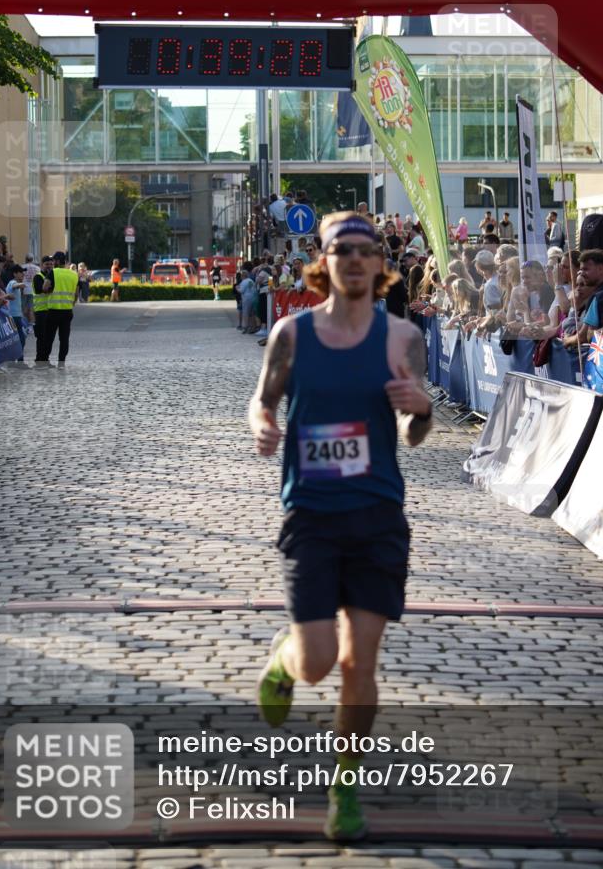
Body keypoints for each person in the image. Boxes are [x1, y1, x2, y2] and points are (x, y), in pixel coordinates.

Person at [249, 211, 433, 841]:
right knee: (319, 663)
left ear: (381, 263)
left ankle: (344, 784)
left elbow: (413, 433)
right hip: (313, 517)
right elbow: (263, 399)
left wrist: (422, 411)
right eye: (341, 250)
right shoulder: (291, 335)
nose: (354, 259)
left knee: (360, 665)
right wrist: (262, 425)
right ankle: (285, 658)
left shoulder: (402, 338)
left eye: (366, 250)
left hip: (379, 515)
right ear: (321, 261)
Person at [41, 251, 78, 367]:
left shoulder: (53, 272)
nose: (52, 262)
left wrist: (47, 290)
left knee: (49, 337)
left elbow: (45, 287)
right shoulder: (73, 274)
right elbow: (76, 294)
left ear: (57, 261)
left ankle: (45, 360)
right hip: (67, 311)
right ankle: (61, 363)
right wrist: (71, 304)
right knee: (64, 338)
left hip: (53, 311)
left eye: (53, 260)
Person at [4, 265, 28, 363]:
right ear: (15, 274)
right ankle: (19, 360)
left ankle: (17, 360)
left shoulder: (14, 282)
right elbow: (14, 286)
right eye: (20, 272)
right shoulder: (12, 282)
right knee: (20, 338)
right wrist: (20, 285)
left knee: (19, 338)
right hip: (14, 316)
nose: (23, 274)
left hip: (17, 315)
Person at [33, 255, 54, 365]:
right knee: (41, 337)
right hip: (41, 311)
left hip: (50, 311)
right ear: (42, 265)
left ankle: (45, 359)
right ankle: (39, 360)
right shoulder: (38, 277)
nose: (49, 266)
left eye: (51, 264)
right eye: (47, 264)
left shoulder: (51, 277)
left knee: (48, 338)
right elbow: (41, 289)